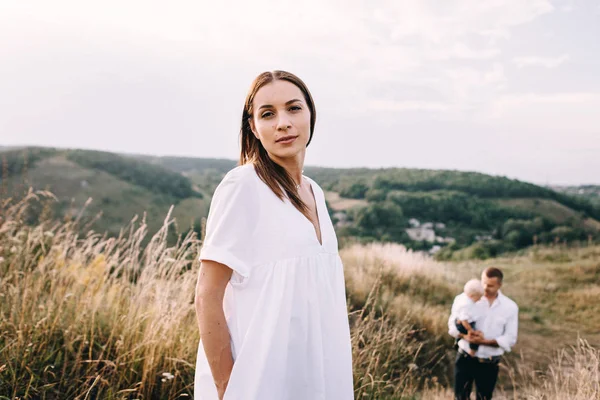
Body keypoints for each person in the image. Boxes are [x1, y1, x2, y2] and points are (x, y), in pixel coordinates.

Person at [193, 70, 354, 400]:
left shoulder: (315, 192)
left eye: (293, 108)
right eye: (268, 114)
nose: (283, 122)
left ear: (310, 114)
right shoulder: (243, 186)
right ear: (254, 127)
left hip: (315, 379)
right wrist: (228, 386)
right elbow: (207, 294)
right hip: (259, 383)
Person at [448, 267, 519, 400]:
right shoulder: (464, 299)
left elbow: (510, 339)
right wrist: (465, 336)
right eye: (483, 283)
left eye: (490, 285)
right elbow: (452, 327)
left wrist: (482, 342)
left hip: (489, 363)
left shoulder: (510, 307)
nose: (485, 288)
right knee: (460, 398)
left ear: (499, 285)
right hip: (465, 358)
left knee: (484, 398)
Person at [451, 279, 484, 356]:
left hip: (460, 321)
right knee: (474, 337)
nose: (480, 299)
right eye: (479, 297)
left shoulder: (461, 297)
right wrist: (470, 330)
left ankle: (456, 342)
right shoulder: (466, 305)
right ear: (471, 296)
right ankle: (472, 352)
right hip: (464, 323)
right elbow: (464, 320)